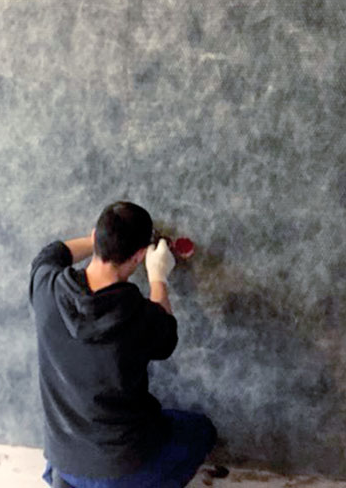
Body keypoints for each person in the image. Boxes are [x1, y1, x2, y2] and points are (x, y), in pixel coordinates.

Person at [29, 201, 217, 488]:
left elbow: (52, 253)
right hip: (121, 466)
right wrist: (158, 278)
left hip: (64, 456)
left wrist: (96, 242)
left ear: (96, 236)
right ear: (139, 255)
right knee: (200, 431)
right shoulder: (139, 318)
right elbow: (167, 336)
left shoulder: (46, 286)